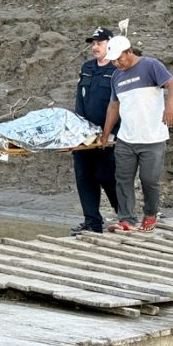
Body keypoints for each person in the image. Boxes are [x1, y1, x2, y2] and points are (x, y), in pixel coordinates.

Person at [98, 36, 173, 233]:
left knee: (149, 180)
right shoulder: (116, 76)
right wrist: (105, 134)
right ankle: (126, 219)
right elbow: (114, 105)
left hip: (152, 137)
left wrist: (170, 106)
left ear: (129, 52)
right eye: (113, 61)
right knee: (123, 179)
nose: (117, 64)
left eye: (119, 59)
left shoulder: (151, 65)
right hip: (126, 138)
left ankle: (150, 214)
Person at [70, 27, 120, 235]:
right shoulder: (87, 68)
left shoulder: (117, 69)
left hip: (108, 136)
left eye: (99, 43)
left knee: (106, 176)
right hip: (84, 135)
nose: (95, 47)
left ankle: (124, 215)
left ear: (110, 44)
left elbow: (119, 104)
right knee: (84, 177)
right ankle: (92, 222)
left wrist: (112, 132)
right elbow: (79, 100)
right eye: (93, 43)